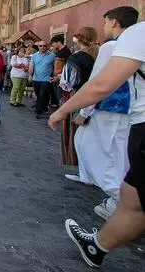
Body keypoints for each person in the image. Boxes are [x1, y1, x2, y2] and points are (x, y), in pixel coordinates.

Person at [48, 20, 145, 268]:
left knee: (130, 196)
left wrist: (63, 111)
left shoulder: (134, 36)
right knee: (133, 200)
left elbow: (101, 84)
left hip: (134, 122)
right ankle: (97, 246)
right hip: (129, 120)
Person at [70, 7, 138, 220]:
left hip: (111, 108)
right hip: (130, 111)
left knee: (90, 147)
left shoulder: (111, 47)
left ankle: (119, 201)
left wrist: (84, 110)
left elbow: (97, 81)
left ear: (115, 23)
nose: (104, 27)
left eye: (106, 22)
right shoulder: (136, 43)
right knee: (120, 154)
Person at [59, 27, 98, 166]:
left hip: (77, 96)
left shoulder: (75, 57)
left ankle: (79, 164)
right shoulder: (97, 54)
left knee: (76, 132)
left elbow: (68, 83)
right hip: (94, 96)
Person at [29, 41, 55, 119]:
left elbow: (55, 66)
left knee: (42, 94)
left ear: (47, 46)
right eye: (40, 46)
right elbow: (31, 66)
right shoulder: (34, 56)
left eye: (44, 45)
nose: (42, 47)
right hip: (36, 78)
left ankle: (39, 110)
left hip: (46, 79)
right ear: (38, 47)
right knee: (38, 94)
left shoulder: (52, 55)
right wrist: (30, 75)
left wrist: (53, 76)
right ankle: (44, 106)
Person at [50, 34, 72, 108]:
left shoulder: (66, 52)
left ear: (58, 42)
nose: (52, 45)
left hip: (61, 79)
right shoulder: (59, 51)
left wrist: (59, 77)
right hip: (57, 77)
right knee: (58, 97)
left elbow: (68, 67)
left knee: (61, 98)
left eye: (53, 43)